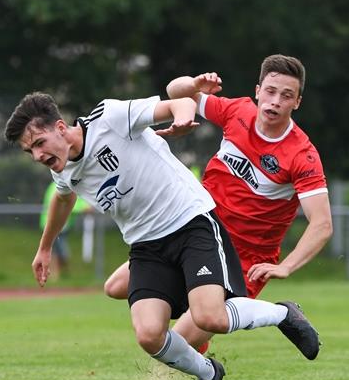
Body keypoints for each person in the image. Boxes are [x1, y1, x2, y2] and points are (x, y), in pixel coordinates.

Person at [5, 91, 320, 380]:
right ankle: (209, 373)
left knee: (211, 318)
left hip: (190, 222)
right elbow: (63, 197)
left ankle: (284, 314)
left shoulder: (109, 118)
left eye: (39, 143)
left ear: (60, 127)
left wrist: (182, 116)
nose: (36, 155)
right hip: (146, 247)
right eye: (29, 150)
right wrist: (45, 248)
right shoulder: (61, 170)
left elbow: (176, 104)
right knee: (149, 334)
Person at [104, 55, 333, 354]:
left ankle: (268, 320)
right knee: (117, 287)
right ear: (258, 90)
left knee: (178, 345)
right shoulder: (237, 111)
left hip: (243, 257)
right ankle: (199, 327)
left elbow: (322, 224)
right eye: (271, 91)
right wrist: (194, 85)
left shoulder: (302, 154)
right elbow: (176, 91)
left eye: (286, 95)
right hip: (197, 229)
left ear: (297, 102)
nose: (275, 101)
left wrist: (286, 266)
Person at [40, 181, 89, 279]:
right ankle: (56, 274)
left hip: (61, 226)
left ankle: (58, 275)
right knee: (59, 251)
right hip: (54, 226)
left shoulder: (68, 184)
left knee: (56, 251)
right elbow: (63, 202)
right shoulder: (60, 184)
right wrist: (84, 208)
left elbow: (74, 200)